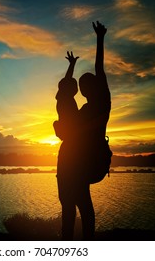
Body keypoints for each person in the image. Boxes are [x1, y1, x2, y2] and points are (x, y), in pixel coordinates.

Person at [56, 21, 111, 240]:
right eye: (82, 85)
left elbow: (100, 67)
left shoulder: (102, 102)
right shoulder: (82, 108)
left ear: (95, 86)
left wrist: (100, 38)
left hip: (85, 160)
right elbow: (63, 91)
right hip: (71, 158)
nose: (84, 87)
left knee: (83, 205)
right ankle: (68, 243)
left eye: (87, 83)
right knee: (69, 205)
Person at [53, 51, 79, 141]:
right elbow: (67, 79)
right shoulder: (65, 99)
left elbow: (67, 80)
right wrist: (72, 65)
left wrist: (72, 65)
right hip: (70, 132)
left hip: (70, 132)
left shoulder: (63, 98)